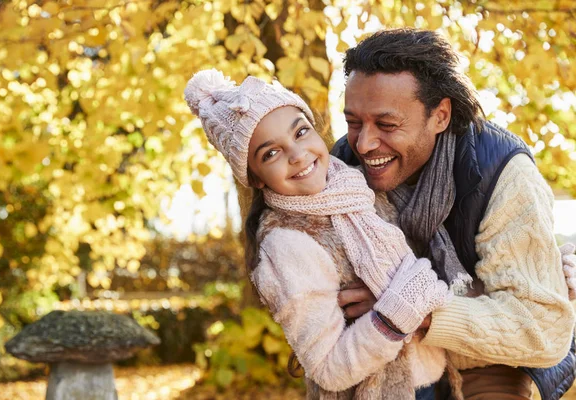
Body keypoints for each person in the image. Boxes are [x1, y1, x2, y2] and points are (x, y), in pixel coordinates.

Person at [333, 28, 576, 400]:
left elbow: (538, 328)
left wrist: (408, 307)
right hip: (382, 357)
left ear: (441, 115)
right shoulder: (337, 170)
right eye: (353, 122)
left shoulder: (502, 172)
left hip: (480, 362)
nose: (364, 144)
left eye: (386, 125)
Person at [184, 69, 455, 399]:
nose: (297, 155)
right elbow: (328, 369)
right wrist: (394, 315)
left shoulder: (359, 188)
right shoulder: (287, 243)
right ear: (255, 178)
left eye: (300, 133)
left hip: (434, 377)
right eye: (271, 153)